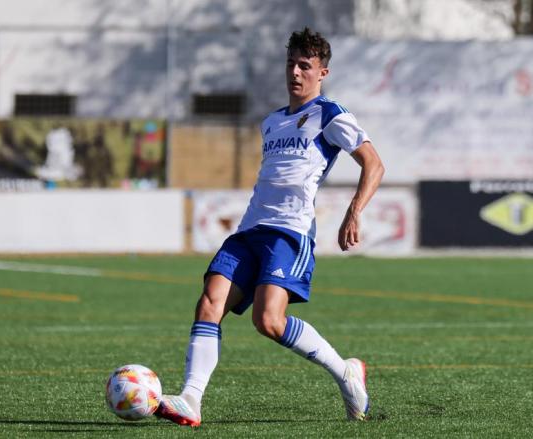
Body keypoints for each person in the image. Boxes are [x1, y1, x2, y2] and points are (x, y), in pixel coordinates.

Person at [155, 27, 385, 426]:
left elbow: (374, 164)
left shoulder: (330, 114)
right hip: (249, 231)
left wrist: (354, 211)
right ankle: (191, 398)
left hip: (289, 233)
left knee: (269, 321)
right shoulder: (272, 122)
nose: (295, 72)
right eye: (291, 64)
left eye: (305, 66)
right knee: (209, 301)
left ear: (322, 73)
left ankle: (345, 372)